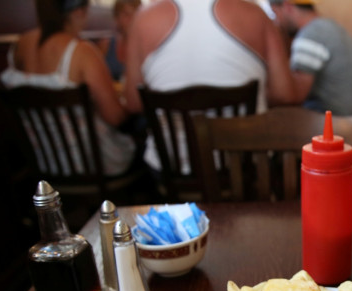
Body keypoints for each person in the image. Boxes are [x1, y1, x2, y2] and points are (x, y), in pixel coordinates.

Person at [123, 0, 297, 172]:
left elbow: (133, 102)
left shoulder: (144, 18)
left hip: (173, 174)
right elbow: (284, 94)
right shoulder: (255, 14)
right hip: (246, 171)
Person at [0, 0, 135, 177]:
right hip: (91, 166)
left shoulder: (19, 45)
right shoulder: (82, 52)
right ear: (78, 11)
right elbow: (115, 117)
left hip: (41, 164)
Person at [268, 0, 352, 116]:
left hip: (330, 122)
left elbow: (294, 97)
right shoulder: (328, 27)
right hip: (346, 118)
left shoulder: (311, 35)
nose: (276, 22)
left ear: (288, 6)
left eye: (274, 13)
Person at [98, 0, 141, 81]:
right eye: (126, 14)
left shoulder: (147, 48)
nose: (132, 19)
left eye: (136, 14)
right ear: (117, 18)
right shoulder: (106, 45)